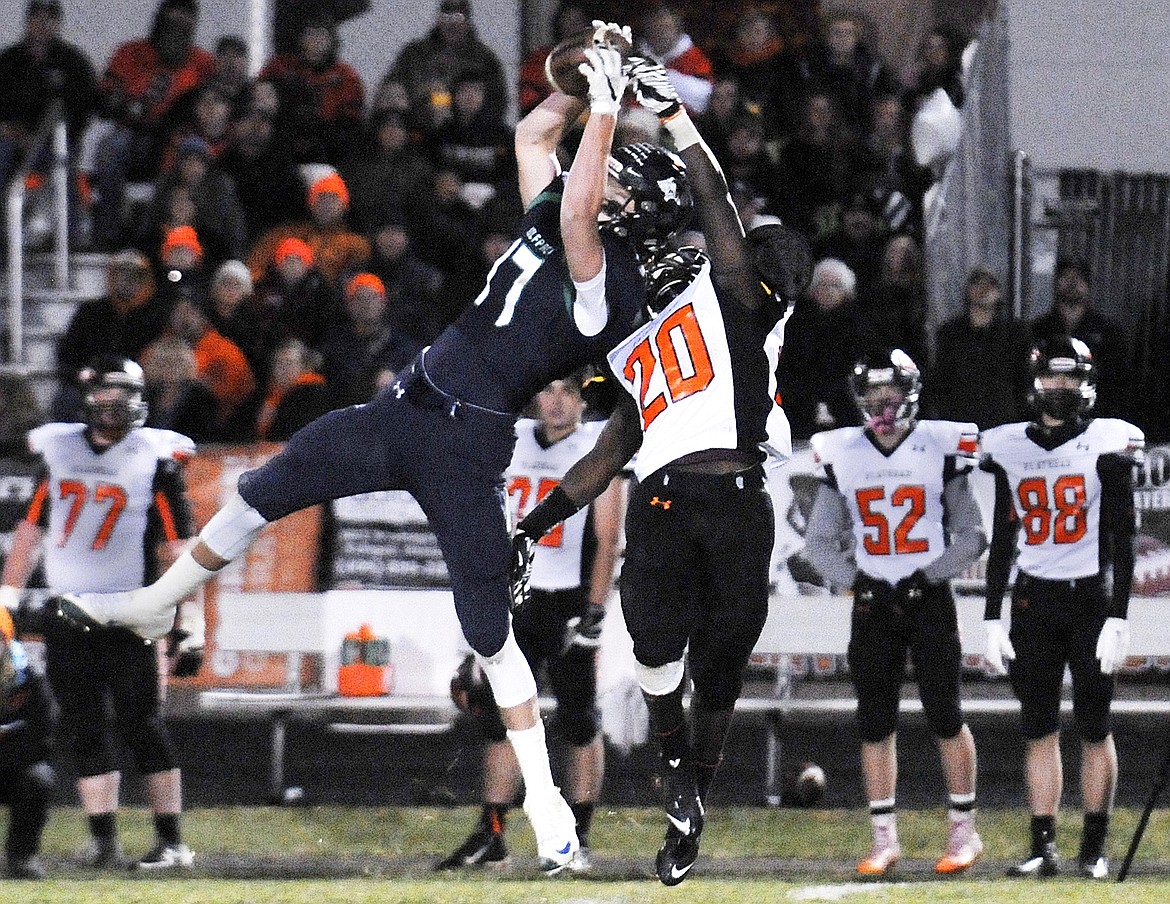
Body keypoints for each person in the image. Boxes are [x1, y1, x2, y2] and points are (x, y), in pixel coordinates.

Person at [56, 36, 691, 875]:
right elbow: (533, 140)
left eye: (615, 179)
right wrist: (581, 85)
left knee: (491, 635)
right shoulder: (569, 216)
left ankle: (550, 816)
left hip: (467, 443)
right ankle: (155, 603)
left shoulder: (607, 283)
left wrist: (609, 103)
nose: (601, 176)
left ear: (632, 209)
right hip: (405, 407)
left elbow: (578, 207)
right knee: (264, 486)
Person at [511, 57, 808, 886]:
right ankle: (681, 785)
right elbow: (608, 453)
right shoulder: (638, 328)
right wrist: (530, 527)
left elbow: (714, 206)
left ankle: (690, 800)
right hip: (663, 500)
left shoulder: (735, 295)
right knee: (650, 657)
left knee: (721, 669)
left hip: (737, 495)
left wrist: (676, 116)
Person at [0, 357, 200, 871]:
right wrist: (6, 600)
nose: (116, 405)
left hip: (130, 610)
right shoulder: (61, 451)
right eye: (108, 394)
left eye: (125, 394)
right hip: (68, 609)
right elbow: (30, 533)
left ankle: (171, 840)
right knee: (83, 726)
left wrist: (189, 621)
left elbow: (180, 549)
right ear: (91, 399)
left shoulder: (157, 458)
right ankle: (105, 842)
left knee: (142, 723)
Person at [803, 349, 986, 877]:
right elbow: (819, 542)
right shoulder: (843, 453)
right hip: (873, 601)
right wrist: (857, 581)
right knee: (875, 721)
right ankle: (884, 839)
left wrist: (926, 575)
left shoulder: (939, 447)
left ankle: (964, 832)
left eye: (892, 395)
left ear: (911, 394)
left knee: (946, 714)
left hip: (926, 600)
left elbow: (972, 533)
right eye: (874, 397)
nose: (883, 407)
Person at [437, 376, 623, 872]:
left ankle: (577, 838)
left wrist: (595, 613)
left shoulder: (597, 446)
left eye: (568, 391)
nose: (557, 401)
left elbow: (607, 540)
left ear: (585, 399)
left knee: (578, 721)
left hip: (567, 602)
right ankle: (492, 832)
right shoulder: (511, 438)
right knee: (501, 720)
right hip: (515, 601)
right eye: (549, 390)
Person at [980, 335, 1144, 880]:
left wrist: (1118, 615)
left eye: (1070, 377)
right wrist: (990, 615)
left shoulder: (1107, 441)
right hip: (1033, 598)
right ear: (1035, 382)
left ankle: (1094, 848)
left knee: (1095, 726)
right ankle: (1041, 844)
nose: (1061, 387)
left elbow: (1123, 536)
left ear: (1087, 382)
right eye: (1053, 376)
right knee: (1039, 727)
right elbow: (1005, 536)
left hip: (1088, 598)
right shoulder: (1010, 446)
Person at [926, 265, 1034, 429]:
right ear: (968, 291)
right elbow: (941, 381)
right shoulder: (949, 333)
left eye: (990, 284)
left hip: (1004, 422)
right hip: (960, 423)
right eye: (977, 284)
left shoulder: (1017, 333)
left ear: (999, 293)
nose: (984, 290)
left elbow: (1023, 379)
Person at [1030, 257, 1131, 421]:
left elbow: (1120, 383)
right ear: (1057, 283)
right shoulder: (1038, 329)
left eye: (1078, 278)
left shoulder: (1108, 331)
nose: (1072, 283)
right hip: (1049, 420)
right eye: (1066, 278)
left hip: (1097, 419)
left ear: (1088, 285)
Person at [0, 637, 54, 879]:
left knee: (38, 778)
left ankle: (22, 857)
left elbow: (42, 737)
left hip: (12, 767)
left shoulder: (28, 682)